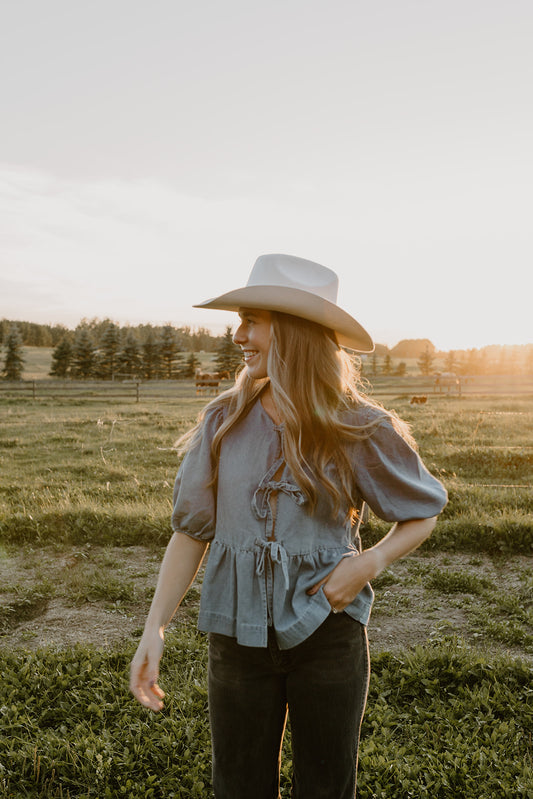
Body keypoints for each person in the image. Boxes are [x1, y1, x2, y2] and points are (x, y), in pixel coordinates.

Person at [130, 254, 448, 798]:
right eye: (240, 321)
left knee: (326, 787)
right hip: (236, 637)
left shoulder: (357, 425)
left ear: (294, 331)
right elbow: (190, 532)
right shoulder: (223, 421)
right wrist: (155, 627)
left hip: (330, 635)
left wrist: (368, 564)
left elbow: (424, 510)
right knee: (238, 786)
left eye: (251, 320)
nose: (239, 335)